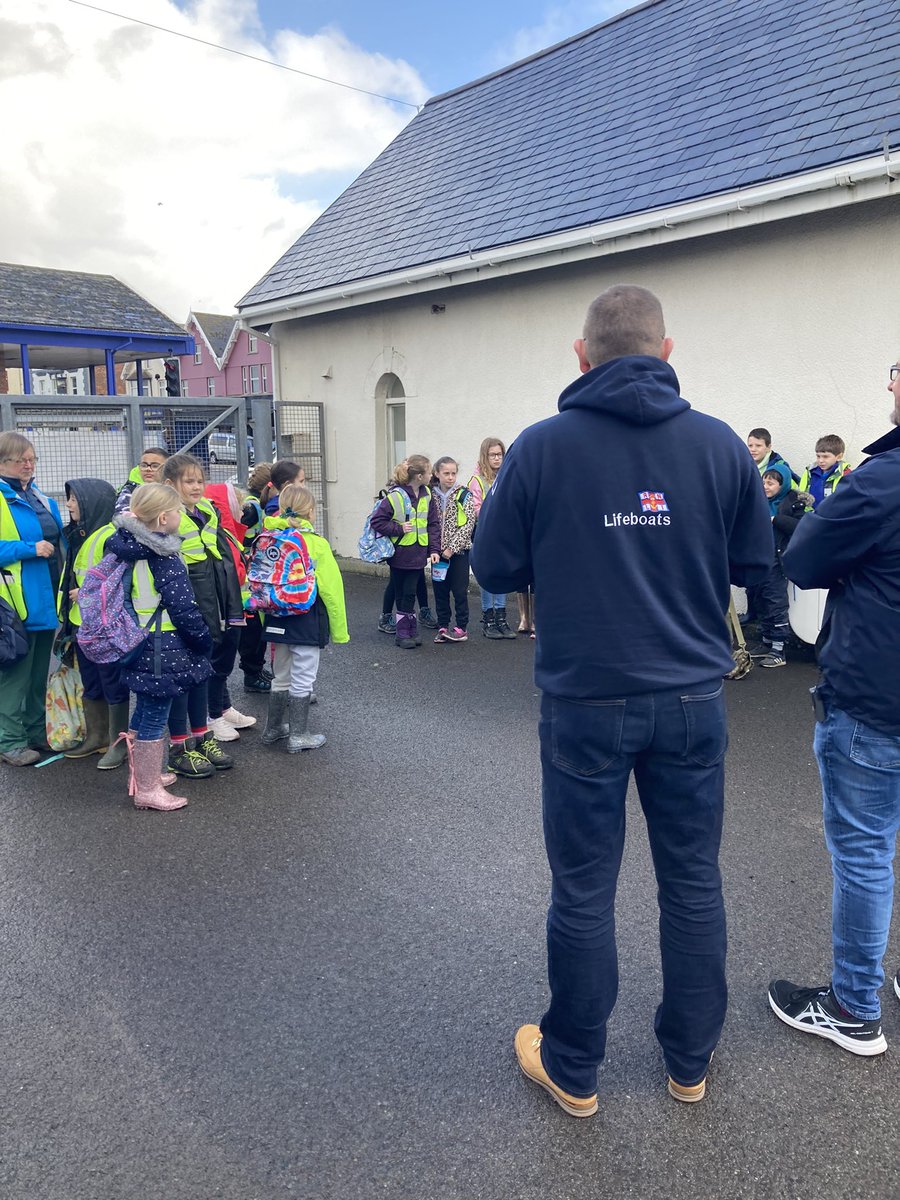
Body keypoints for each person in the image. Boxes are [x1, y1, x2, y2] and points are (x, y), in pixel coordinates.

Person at [471, 284, 772, 1114]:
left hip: (586, 702)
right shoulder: (721, 446)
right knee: (693, 881)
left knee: (583, 890)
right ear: (666, 353)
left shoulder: (540, 447)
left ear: (582, 355)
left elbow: (492, 566)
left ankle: (573, 1067)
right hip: (692, 698)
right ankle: (689, 1062)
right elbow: (757, 564)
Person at [768, 360, 900, 1056]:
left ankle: (853, 1007)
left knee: (865, 852)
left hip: (879, 701)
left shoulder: (883, 480)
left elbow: (805, 559)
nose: (890, 385)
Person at [105, 483, 212, 811]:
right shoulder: (162, 555)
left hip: (138, 639)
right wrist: (202, 639)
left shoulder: (128, 546)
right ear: (163, 518)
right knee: (155, 713)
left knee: (144, 707)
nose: (181, 516)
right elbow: (183, 608)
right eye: (177, 511)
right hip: (162, 645)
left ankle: (141, 775)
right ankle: (148, 788)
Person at [161, 454, 240, 778]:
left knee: (201, 672)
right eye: (189, 481)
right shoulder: (165, 516)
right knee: (182, 678)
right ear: (170, 485)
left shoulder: (207, 510)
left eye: (200, 481)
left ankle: (201, 737)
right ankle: (179, 747)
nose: (196, 487)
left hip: (211, 597)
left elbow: (218, 558)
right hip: (185, 600)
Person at [257, 484, 348, 752]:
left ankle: (273, 728)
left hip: (276, 617)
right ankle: (299, 735)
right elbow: (332, 590)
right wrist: (339, 631)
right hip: (306, 619)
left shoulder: (269, 538)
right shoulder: (316, 544)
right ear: (310, 511)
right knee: (304, 677)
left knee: (281, 674)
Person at [57, 477, 132, 768]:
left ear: (92, 502)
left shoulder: (109, 536)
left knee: (112, 682)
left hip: (104, 627)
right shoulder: (81, 533)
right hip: (83, 624)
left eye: (74, 499)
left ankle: (118, 743)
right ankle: (97, 736)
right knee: (91, 682)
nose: (69, 504)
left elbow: (118, 579)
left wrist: (85, 593)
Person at [0, 433, 63, 766]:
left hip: (46, 596)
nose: (27, 465)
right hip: (13, 601)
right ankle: (9, 741)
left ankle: (36, 732)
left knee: (39, 672)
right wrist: (28, 549)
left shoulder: (40, 497)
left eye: (31, 459)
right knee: (15, 674)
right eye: (19, 460)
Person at [203, 481, 256, 743]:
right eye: (238, 504)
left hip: (232, 609)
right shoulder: (217, 536)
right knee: (217, 665)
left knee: (222, 665)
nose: (242, 510)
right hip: (222, 610)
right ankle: (212, 717)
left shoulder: (226, 534)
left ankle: (223, 708)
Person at [369, 456, 440, 649]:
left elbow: (433, 524)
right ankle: (403, 632)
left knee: (409, 592)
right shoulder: (395, 496)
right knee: (402, 592)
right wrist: (398, 529)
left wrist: (434, 549)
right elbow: (377, 521)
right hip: (400, 553)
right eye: (429, 472)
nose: (432, 475)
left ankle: (409, 629)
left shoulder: (427, 494)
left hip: (418, 553)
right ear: (419, 476)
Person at [746, 463, 794, 668]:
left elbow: (801, 526)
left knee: (776, 602)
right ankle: (766, 642)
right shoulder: (757, 502)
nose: (765, 486)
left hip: (777, 560)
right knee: (760, 600)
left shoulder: (792, 504)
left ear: (782, 485)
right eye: (764, 482)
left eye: (771, 483)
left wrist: (776, 520)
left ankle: (779, 649)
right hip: (758, 558)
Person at [469, 439, 516, 639]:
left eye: (500, 454)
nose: (497, 458)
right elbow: (476, 508)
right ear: (485, 456)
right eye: (492, 455)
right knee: (488, 576)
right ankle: (488, 619)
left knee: (502, 573)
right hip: (485, 534)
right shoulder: (477, 480)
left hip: (503, 534)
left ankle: (501, 618)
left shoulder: (506, 476)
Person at [430, 457, 477, 643]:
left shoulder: (463, 494)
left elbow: (468, 524)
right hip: (438, 553)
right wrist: (434, 548)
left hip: (459, 552)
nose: (450, 477)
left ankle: (461, 627)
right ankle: (443, 625)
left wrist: (451, 548)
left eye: (453, 473)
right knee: (440, 591)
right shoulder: (430, 495)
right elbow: (429, 523)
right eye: (446, 473)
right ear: (437, 474)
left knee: (459, 590)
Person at [239, 462, 274, 692]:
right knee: (251, 629)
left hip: (253, 571)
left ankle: (256, 668)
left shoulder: (256, 505)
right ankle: (251, 675)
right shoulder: (251, 508)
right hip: (247, 574)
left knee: (257, 627)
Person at [795, 435, 852, 509]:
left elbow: (847, 500)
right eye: (818, 456)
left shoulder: (845, 474)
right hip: (810, 513)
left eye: (825, 457)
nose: (820, 460)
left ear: (839, 457)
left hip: (833, 514)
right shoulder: (810, 471)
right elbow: (802, 492)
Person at [114, 447, 169, 514]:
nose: (148, 469)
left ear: (166, 468)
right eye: (144, 465)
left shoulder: (175, 488)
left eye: (155, 466)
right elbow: (122, 515)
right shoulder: (130, 491)